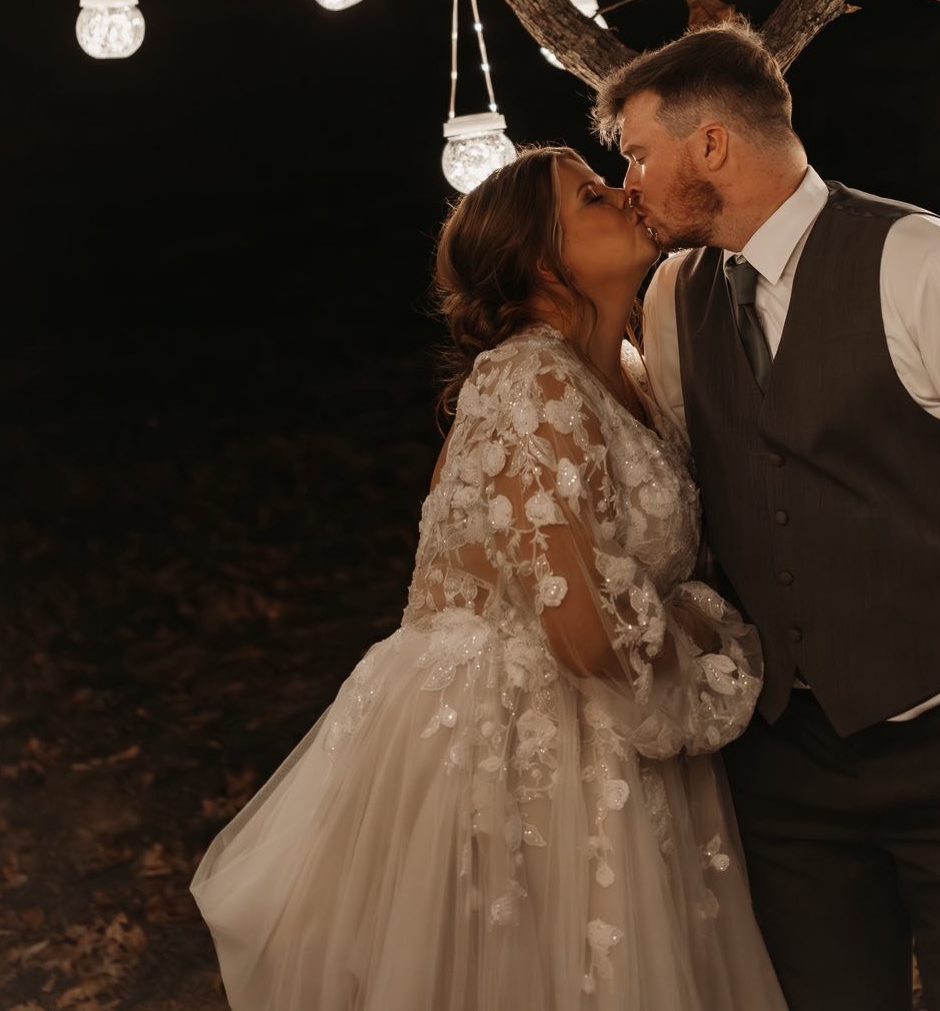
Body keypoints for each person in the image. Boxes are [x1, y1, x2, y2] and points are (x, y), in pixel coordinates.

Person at [592, 20, 940, 1011]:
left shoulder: (930, 263)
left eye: (636, 151)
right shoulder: (675, 293)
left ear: (712, 141)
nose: (627, 180)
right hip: (788, 762)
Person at [191, 145, 787, 1011]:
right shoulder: (528, 382)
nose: (622, 192)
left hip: (612, 735)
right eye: (590, 196)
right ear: (544, 262)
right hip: (519, 745)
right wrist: (704, 632)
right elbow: (580, 631)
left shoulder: (622, 372)